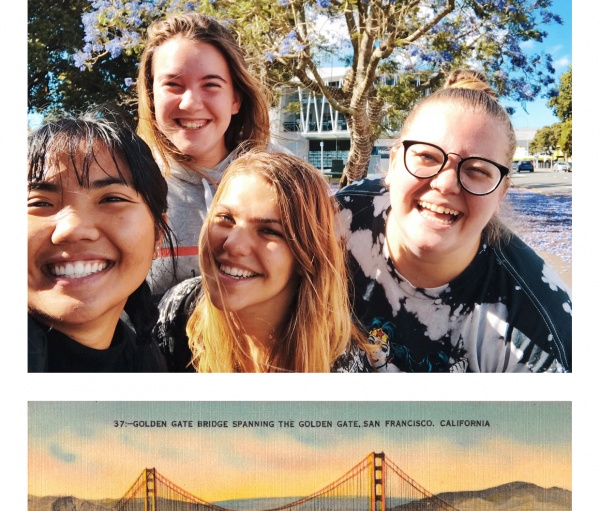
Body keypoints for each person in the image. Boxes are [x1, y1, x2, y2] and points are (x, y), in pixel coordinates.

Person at [336, 69, 572, 372]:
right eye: (427, 157)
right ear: (394, 164)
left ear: (500, 193)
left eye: (477, 169)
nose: (446, 184)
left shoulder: (538, 331)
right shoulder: (340, 217)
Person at [155, 150, 369, 372]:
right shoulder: (178, 310)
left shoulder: (339, 365)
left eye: (269, 231)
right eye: (226, 218)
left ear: (307, 255)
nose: (233, 244)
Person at [137, 12, 272, 296]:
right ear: (151, 96)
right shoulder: (127, 187)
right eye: (173, 85)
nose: (191, 103)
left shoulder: (281, 182)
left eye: (211, 85)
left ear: (235, 99)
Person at [28, 114, 175, 372]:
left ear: (157, 235)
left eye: (111, 199)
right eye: (40, 203)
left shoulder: (149, 361)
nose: (72, 229)